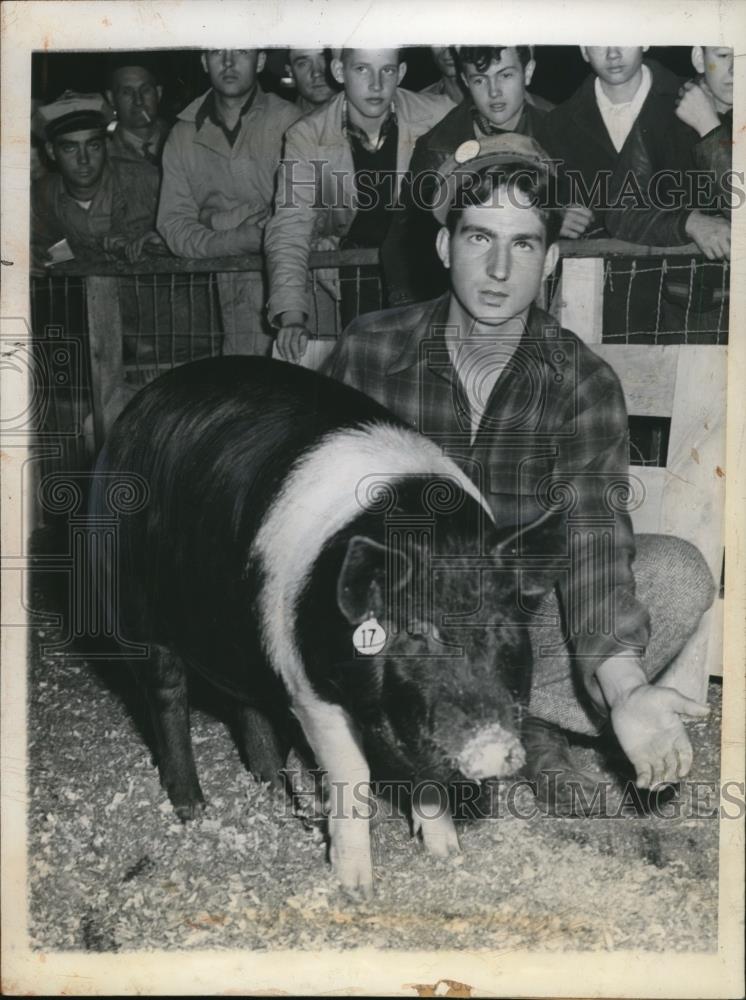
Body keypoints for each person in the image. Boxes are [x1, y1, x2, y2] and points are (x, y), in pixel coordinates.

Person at [325, 133, 715, 811]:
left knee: (676, 574)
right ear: (445, 247)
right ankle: (477, 723)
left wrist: (625, 689)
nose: (500, 268)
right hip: (410, 630)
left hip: (519, 627)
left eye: (524, 244)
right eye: (479, 239)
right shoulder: (371, 348)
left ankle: (524, 718)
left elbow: (594, 534)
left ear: (552, 260)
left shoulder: (582, 381)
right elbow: (326, 519)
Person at [264, 47, 452, 366]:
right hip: (358, 282)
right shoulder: (307, 135)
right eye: (362, 70)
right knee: (368, 375)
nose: (376, 84)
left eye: (387, 71)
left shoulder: (439, 115)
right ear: (339, 71)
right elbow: (290, 225)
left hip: (428, 276)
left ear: (401, 73)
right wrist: (292, 316)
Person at [383, 45, 559, 306]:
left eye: (506, 75)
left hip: (549, 299)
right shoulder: (437, 147)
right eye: (480, 79)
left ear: (528, 72)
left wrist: (561, 219)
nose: (494, 91)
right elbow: (405, 242)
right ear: (465, 81)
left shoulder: (561, 134)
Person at [157, 48, 302, 355]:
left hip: (299, 292)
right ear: (203, 61)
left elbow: (303, 212)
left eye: (241, 51)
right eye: (216, 52)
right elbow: (174, 227)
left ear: (260, 61)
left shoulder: (290, 121)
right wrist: (236, 239)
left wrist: (213, 220)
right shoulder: (183, 135)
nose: (228, 62)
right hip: (234, 300)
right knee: (247, 390)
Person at [540, 46, 729, 256]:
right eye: (599, 42)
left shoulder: (698, 101)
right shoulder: (556, 124)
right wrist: (552, 217)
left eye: (624, 37)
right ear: (584, 50)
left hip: (688, 278)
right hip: (594, 277)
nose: (613, 53)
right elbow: (533, 203)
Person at [31, 91, 161, 269]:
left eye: (93, 146)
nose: (83, 159)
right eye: (70, 148)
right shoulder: (43, 195)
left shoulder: (149, 181)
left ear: (107, 145)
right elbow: (43, 250)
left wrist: (162, 243)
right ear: (51, 152)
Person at [105, 56, 170, 166]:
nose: (138, 101)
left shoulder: (183, 142)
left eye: (145, 90)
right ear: (111, 98)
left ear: (159, 93)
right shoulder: (103, 156)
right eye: (127, 92)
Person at [285, 48, 336, 114]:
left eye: (326, 60)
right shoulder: (282, 121)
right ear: (290, 72)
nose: (316, 73)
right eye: (303, 64)